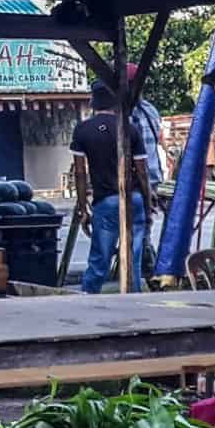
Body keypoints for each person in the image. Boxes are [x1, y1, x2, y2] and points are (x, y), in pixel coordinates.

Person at [71, 79, 151, 293]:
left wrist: (82, 206)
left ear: (93, 103)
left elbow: (80, 172)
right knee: (132, 260)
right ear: (116, 102)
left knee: (100, 260)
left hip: (105, 202)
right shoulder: (130, 129)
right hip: (133, 199)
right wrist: (148, 203)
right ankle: (134, 301)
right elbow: (142, 172)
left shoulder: (82, 130)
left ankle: (88, 299)